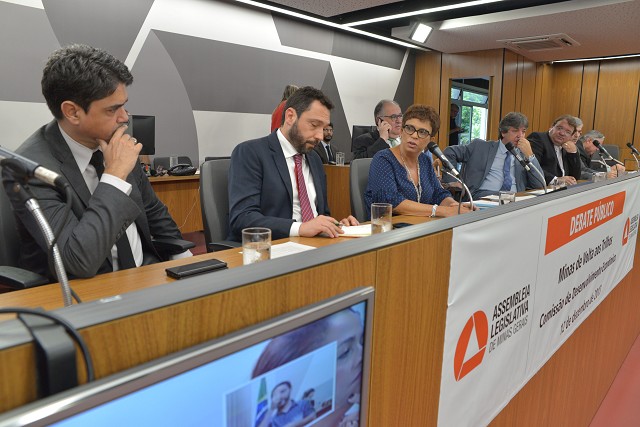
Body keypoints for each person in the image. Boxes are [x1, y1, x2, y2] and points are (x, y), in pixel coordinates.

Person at [2, 44, 191, 280]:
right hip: (86, 289)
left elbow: (153, 213)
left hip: (144, 274)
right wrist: (115, 176)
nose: (125, 117)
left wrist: (186, 260)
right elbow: (78, 261)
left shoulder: (114, 142)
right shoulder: (32, 170)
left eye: (124, 105)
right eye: (113, 110)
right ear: (72, 112)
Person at [228, 86, 358, 242]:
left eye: (324, 128)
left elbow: (321, 214)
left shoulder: (315, 159)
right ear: (290, 117)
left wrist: (336, 225)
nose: (320, 136)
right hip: (274, 246)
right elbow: (243, 218)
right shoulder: (251, 153)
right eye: (314, 125)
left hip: (315, 246)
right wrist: (300, 228)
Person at [252, 308, 364, 427]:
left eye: (363, 341)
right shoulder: (274, 419)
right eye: (345, 352)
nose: (364, 353)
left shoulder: (303, 405)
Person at [364, 104, 472, 219]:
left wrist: (455, 206)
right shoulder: (383, 159)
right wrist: (441, 211)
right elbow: (391, 201)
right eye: (410, 128)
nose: (414, 135)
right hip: (389, 227)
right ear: (402, 131)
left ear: (431, 140)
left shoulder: (425, 161)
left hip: (420, 225)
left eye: (422, 132)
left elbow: (438, 193)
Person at [443, 112, 544, 199]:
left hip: (514, 200)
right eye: (515, 131)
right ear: (503, 132)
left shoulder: (523, 156)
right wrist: (453, 182)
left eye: (523, 131)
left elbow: (540, 185)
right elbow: (449, 152)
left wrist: (530, 156)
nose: (520, 136)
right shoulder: (480, 147)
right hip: (482, 197)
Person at [527, 115, 582, 186]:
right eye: (559, 128)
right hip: (542, 188)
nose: (562, 133)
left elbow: (576, 176)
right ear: (552, 127)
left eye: (568, 132)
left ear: (571, 136)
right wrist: (556, 180)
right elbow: (533, 167)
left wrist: (573, 153)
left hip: (562, 189)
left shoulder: (566, 147)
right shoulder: (538, 138)